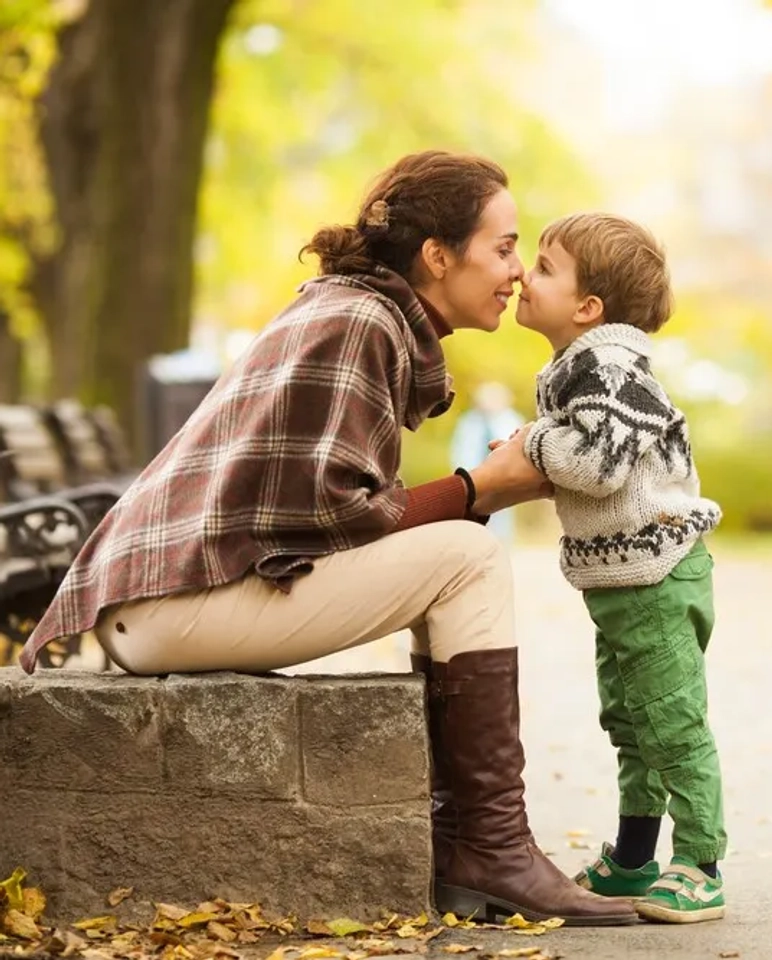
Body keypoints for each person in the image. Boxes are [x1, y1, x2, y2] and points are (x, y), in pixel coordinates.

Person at [18, 151, 636, 928]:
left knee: (462, 554)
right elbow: (340, 518)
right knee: (472, 556)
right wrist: (483, 489)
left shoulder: (355, 308)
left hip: (165, 601)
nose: (515, 271)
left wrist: (477, 491)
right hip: (169, 607)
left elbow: (323, 515)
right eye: (504, 247)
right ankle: (491, 848)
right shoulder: (362, 321)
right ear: (437, 256)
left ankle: (475, 845)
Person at [512, 213, 727, 923]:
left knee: (671, 723)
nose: (522, 274)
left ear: (587, 308)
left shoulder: (612, 371)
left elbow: (599, 467)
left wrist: (532, 445)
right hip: (621, 584)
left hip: (660, 579)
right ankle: (635, 857)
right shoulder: (576, 369)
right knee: (629, 722)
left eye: (543, 266)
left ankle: (700, 861)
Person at [450, 382, 524, 546]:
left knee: (501, 512)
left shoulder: (510, 418)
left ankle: (500, 544)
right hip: (474, 475)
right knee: (475, 511)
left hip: (505, 475)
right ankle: (477, 543)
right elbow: (461, 448)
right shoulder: (470, 421)